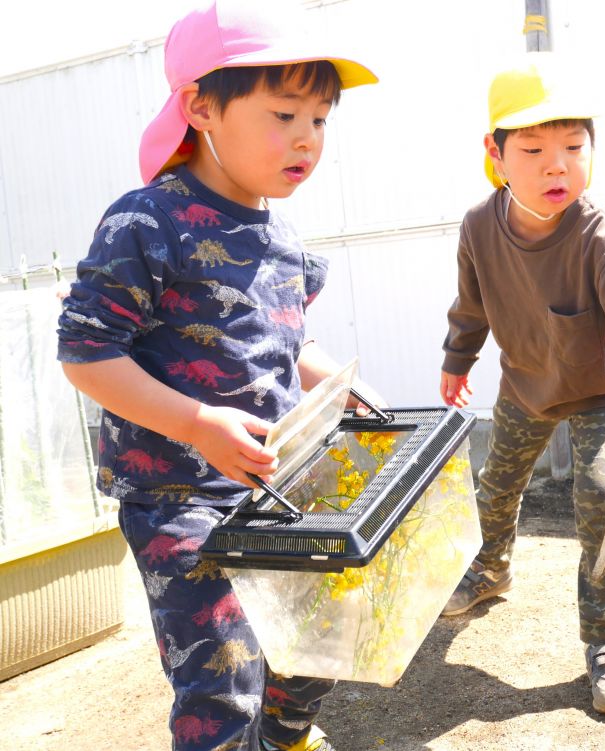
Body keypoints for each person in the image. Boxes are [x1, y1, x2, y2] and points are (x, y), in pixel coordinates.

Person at [57, 2, 379, 749]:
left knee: (325, 630)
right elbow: (85, 350)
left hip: (274, 481)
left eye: (321, 119)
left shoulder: (281, 233)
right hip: (178, 494)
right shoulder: (146, 222)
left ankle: (289, 731)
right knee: (222, 679)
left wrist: (336, 380)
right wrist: (195, 422)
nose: (307, 138)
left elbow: (276, 335)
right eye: (283, 113)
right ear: (202, 107)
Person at [438, 53, 605, 715]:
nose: (557, 164)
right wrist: (459, 356)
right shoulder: (478, 228)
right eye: (535, 148)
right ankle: (490, 570)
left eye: (574, 146)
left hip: (600, 393)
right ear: (495, 152)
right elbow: (473, 303)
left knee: (600, 503)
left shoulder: (600, 237)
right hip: (522, 384)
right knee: (497, 484)